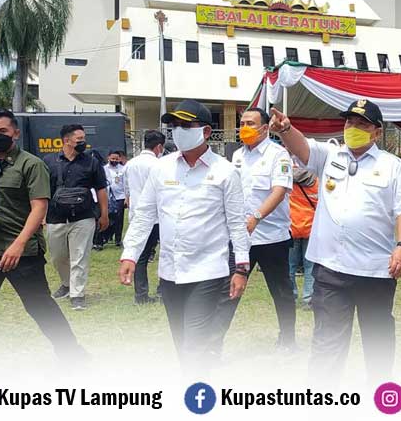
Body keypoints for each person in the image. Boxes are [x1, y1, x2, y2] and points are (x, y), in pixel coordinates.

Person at [270, 99, 401, 384]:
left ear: (377, 132)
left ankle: (380, 394)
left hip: (375, 271)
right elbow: (302, 148)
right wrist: (286, 129)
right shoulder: (330, 155)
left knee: (377, 341)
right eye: (349, 122)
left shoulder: (391, 166)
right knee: (327, 343)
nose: (353, 128)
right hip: (331, 269)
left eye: (362, 124)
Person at [0, 110, 85, 375]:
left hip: (23, 253)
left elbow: (39, 207)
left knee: (39, 306)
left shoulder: (31, 165)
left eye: (2, 131)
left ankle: (72, 355)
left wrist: (19, 244)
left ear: (16, 133)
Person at [118, 100, 250, 374]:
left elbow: (237, 224)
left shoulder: (225, 171)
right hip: (170, 272)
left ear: (205, 132)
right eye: (174, 126)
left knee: (194, 344)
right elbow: (144, 214)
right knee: (182, 342)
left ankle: (196, 389)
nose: (177, 131)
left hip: (208, 271)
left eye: (186, 125)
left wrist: (241, 268)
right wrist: (130, 254)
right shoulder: (161, 168)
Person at [232, 107, 297, 351]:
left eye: (250, 123)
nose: (245, 128)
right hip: (241, 237)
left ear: (265, 127)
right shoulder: (237, 155)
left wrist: (256, 217)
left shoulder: (278, 154)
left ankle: (288, 339)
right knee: (230, 288)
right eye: (242, 123)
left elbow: (279, 191)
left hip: (272, 237)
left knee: (281, 291)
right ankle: (213, 343)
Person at [44, 124, 109, 311]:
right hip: (55, 217)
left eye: (83, 139)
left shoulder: (91, 162)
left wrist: (104, 214)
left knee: (79, 256)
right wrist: (41, 215)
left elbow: (101, 189)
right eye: (79, 139)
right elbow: (42, 190)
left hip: (83, 216)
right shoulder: (49, 161)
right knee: (57, 257)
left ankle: (77, 294)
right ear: (66, 140)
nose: (83, 142)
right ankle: (66, 284)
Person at [123, 130, 166, 304]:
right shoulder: (158, 165)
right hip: (156, 216)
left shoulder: (130, 164)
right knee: (165, 253)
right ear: (159, 147)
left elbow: (126, 190)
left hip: (137, 215)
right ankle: (163, 291)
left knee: (140, 256)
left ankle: (140, 294)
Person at [288, 161, 319, 309]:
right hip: (311, 228)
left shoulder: (285, 180)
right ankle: (309, 298)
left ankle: (290, 297)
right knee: (310, 266)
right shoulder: (316, 181)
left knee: (290, 266)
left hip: (291, 227)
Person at [101, 150, 127, 247]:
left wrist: (126, 197)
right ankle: (105, 237)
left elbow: (126, 184)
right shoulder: (103, 169)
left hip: (120, 196)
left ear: (119, 159)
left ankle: (118, 240)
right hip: (107, 196)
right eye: (112, 158)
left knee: (119, 219)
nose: (114, 160)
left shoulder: (123, 169)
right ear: (108, 158)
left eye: (116, 159)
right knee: (108, 217)